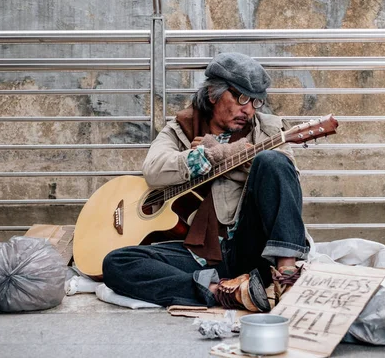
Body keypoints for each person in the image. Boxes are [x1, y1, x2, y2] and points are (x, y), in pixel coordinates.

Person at [102, 52, 309, 312]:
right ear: (213, 94)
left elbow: (287, 181)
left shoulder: (270, 130)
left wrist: (235, 158)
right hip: (199, 253)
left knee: (272, 161)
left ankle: (286, 279)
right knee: (116, 263)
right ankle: (224, 293)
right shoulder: (180, 129)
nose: (248, 109)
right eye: (241, 98)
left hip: (251, 247)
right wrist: (204, 156)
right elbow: (153, 170)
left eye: (255, 101)